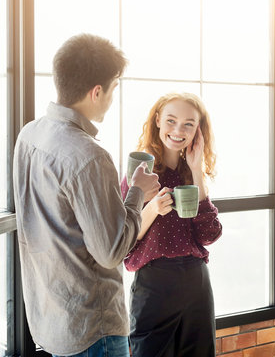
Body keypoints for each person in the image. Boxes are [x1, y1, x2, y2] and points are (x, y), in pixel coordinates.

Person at [12, 34, 160, 357]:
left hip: (49, 321)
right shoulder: (89, 155)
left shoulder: (29, 135)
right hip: (94, 332)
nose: (112, 98)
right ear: (96, 92)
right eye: (113, 88)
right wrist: (137, 192)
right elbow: (111, 251)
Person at [121, 92, 222, 357]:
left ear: (198, 130)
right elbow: (123, 240)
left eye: (189, 124)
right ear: (157, 121)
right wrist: (153, 209)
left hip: (195, 279)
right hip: (153, 282)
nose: (178, 130)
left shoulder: (193, 173)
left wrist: (198, 168)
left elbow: (210, 234)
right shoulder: (138, 173)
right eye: (171, 120)